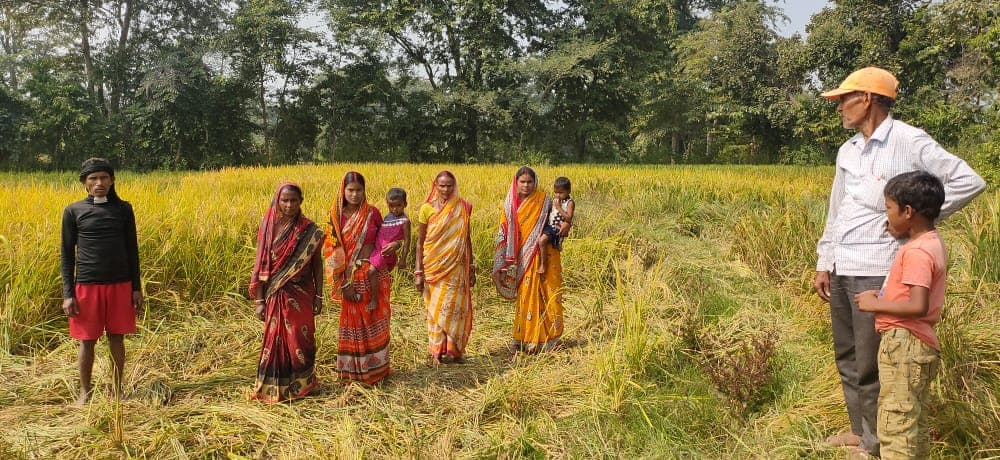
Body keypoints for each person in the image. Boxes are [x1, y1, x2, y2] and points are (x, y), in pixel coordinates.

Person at [813, 66, 985, 456]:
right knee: (848, 355)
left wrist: (916, 221)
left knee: (873, 361)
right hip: (844, 262)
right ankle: (860, 430)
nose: (839, 107)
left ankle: (875, 444)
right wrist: (825, 259)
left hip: (878, 266)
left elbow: (968, 181)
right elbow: (837, 207)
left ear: (867, 99)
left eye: (844, 99)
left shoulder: (909, 141)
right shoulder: (848, 150)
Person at [854, 171, 947, 459]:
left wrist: (874, 304)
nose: (887, 215)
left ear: (908, 212)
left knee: (896, 427)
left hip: (904, 344)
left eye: (889, 209)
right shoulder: (932, 242)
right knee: (912, 423)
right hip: (917, 345)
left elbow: (917, 305)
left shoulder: (917, 252)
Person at [61, 158, 143, 405]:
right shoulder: (73, 211)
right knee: (87, 341)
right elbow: (66, 254)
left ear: (112, 180)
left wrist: (136, 288)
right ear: (84, 183)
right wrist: (68, 294)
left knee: (117, 338)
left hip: (121, 285)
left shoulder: (123, 210)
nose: (99, 183)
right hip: (86, 285)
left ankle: (118, 390)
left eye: (104, 178)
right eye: (93, 178)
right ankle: (85, 392)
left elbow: (132, 250)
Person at [249, 183, 325, 403]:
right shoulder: (269, 228)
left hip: (301, 293)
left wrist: (319, 296)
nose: (289, 204)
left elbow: (316, 264)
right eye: (285, 200)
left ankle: (303, 386)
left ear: (301, 201)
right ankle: (273, 388)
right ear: (278, 201)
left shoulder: (310, 230)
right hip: (275, 293)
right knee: (275, 339)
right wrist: (259, 300)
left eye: (293, 200)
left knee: (302, 338)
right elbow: (262, 265)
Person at [323, 172, 392, 384]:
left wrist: (393, 247)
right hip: (350, 280)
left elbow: (383, 241)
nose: (354, 194)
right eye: (350, 190)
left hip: (372, 275)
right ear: (343, 191)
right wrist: (343, 283)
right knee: (353, 324)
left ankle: (377, 370)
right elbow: (330, 250)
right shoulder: (335, 217)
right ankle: (353, 372)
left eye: (358, 190)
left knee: (375, 319)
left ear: (364, 191)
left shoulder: (373, 213)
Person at [491, 166, 566, 354]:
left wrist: (566, 225)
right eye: (522, 181)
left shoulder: (545, 200)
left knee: (547, 292)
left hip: (543, 254)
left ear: (535, 183)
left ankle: (548, 339)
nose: (526, 185)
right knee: (525, 295)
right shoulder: (509, 204)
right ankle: (524, 337)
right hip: (521, 257)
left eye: (529, 182)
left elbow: (557, 220)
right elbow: (503, 230)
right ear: (516, 183)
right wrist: (502, 262)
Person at [413, 171, 474, 365]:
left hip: (456, 267)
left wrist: (471, 267)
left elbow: (466, 239)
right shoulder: (426, 209)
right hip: (432, 266)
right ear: (435, 186)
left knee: (453, 309)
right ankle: (436, 352)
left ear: (453, 185)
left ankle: (453, 351)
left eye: (449, 185)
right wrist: (418, 271)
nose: (446, 189)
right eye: (442, 185)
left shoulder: (463, 207)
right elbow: (420, 242)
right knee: (434, 308)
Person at [366, 187, 411, 304]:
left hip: (385, 252)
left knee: (371, 272)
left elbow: (407, 241)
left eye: (398, 205)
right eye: (391, 206)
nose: (394, 209)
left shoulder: (405, 221)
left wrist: (403, 259)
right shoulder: (387, 217)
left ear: (405, 204)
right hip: (377, 249)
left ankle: (374, 299)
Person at [536, 176, 575, 274]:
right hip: (550, 225)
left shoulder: (569, 203)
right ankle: (557, 242)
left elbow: (569, 218)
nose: (558, 195)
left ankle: (543, 265)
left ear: (569, 191)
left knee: (542, 241)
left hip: (557, 226)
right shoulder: (555, 200)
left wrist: (558, 207)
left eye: (561, 193)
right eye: (556, 192)